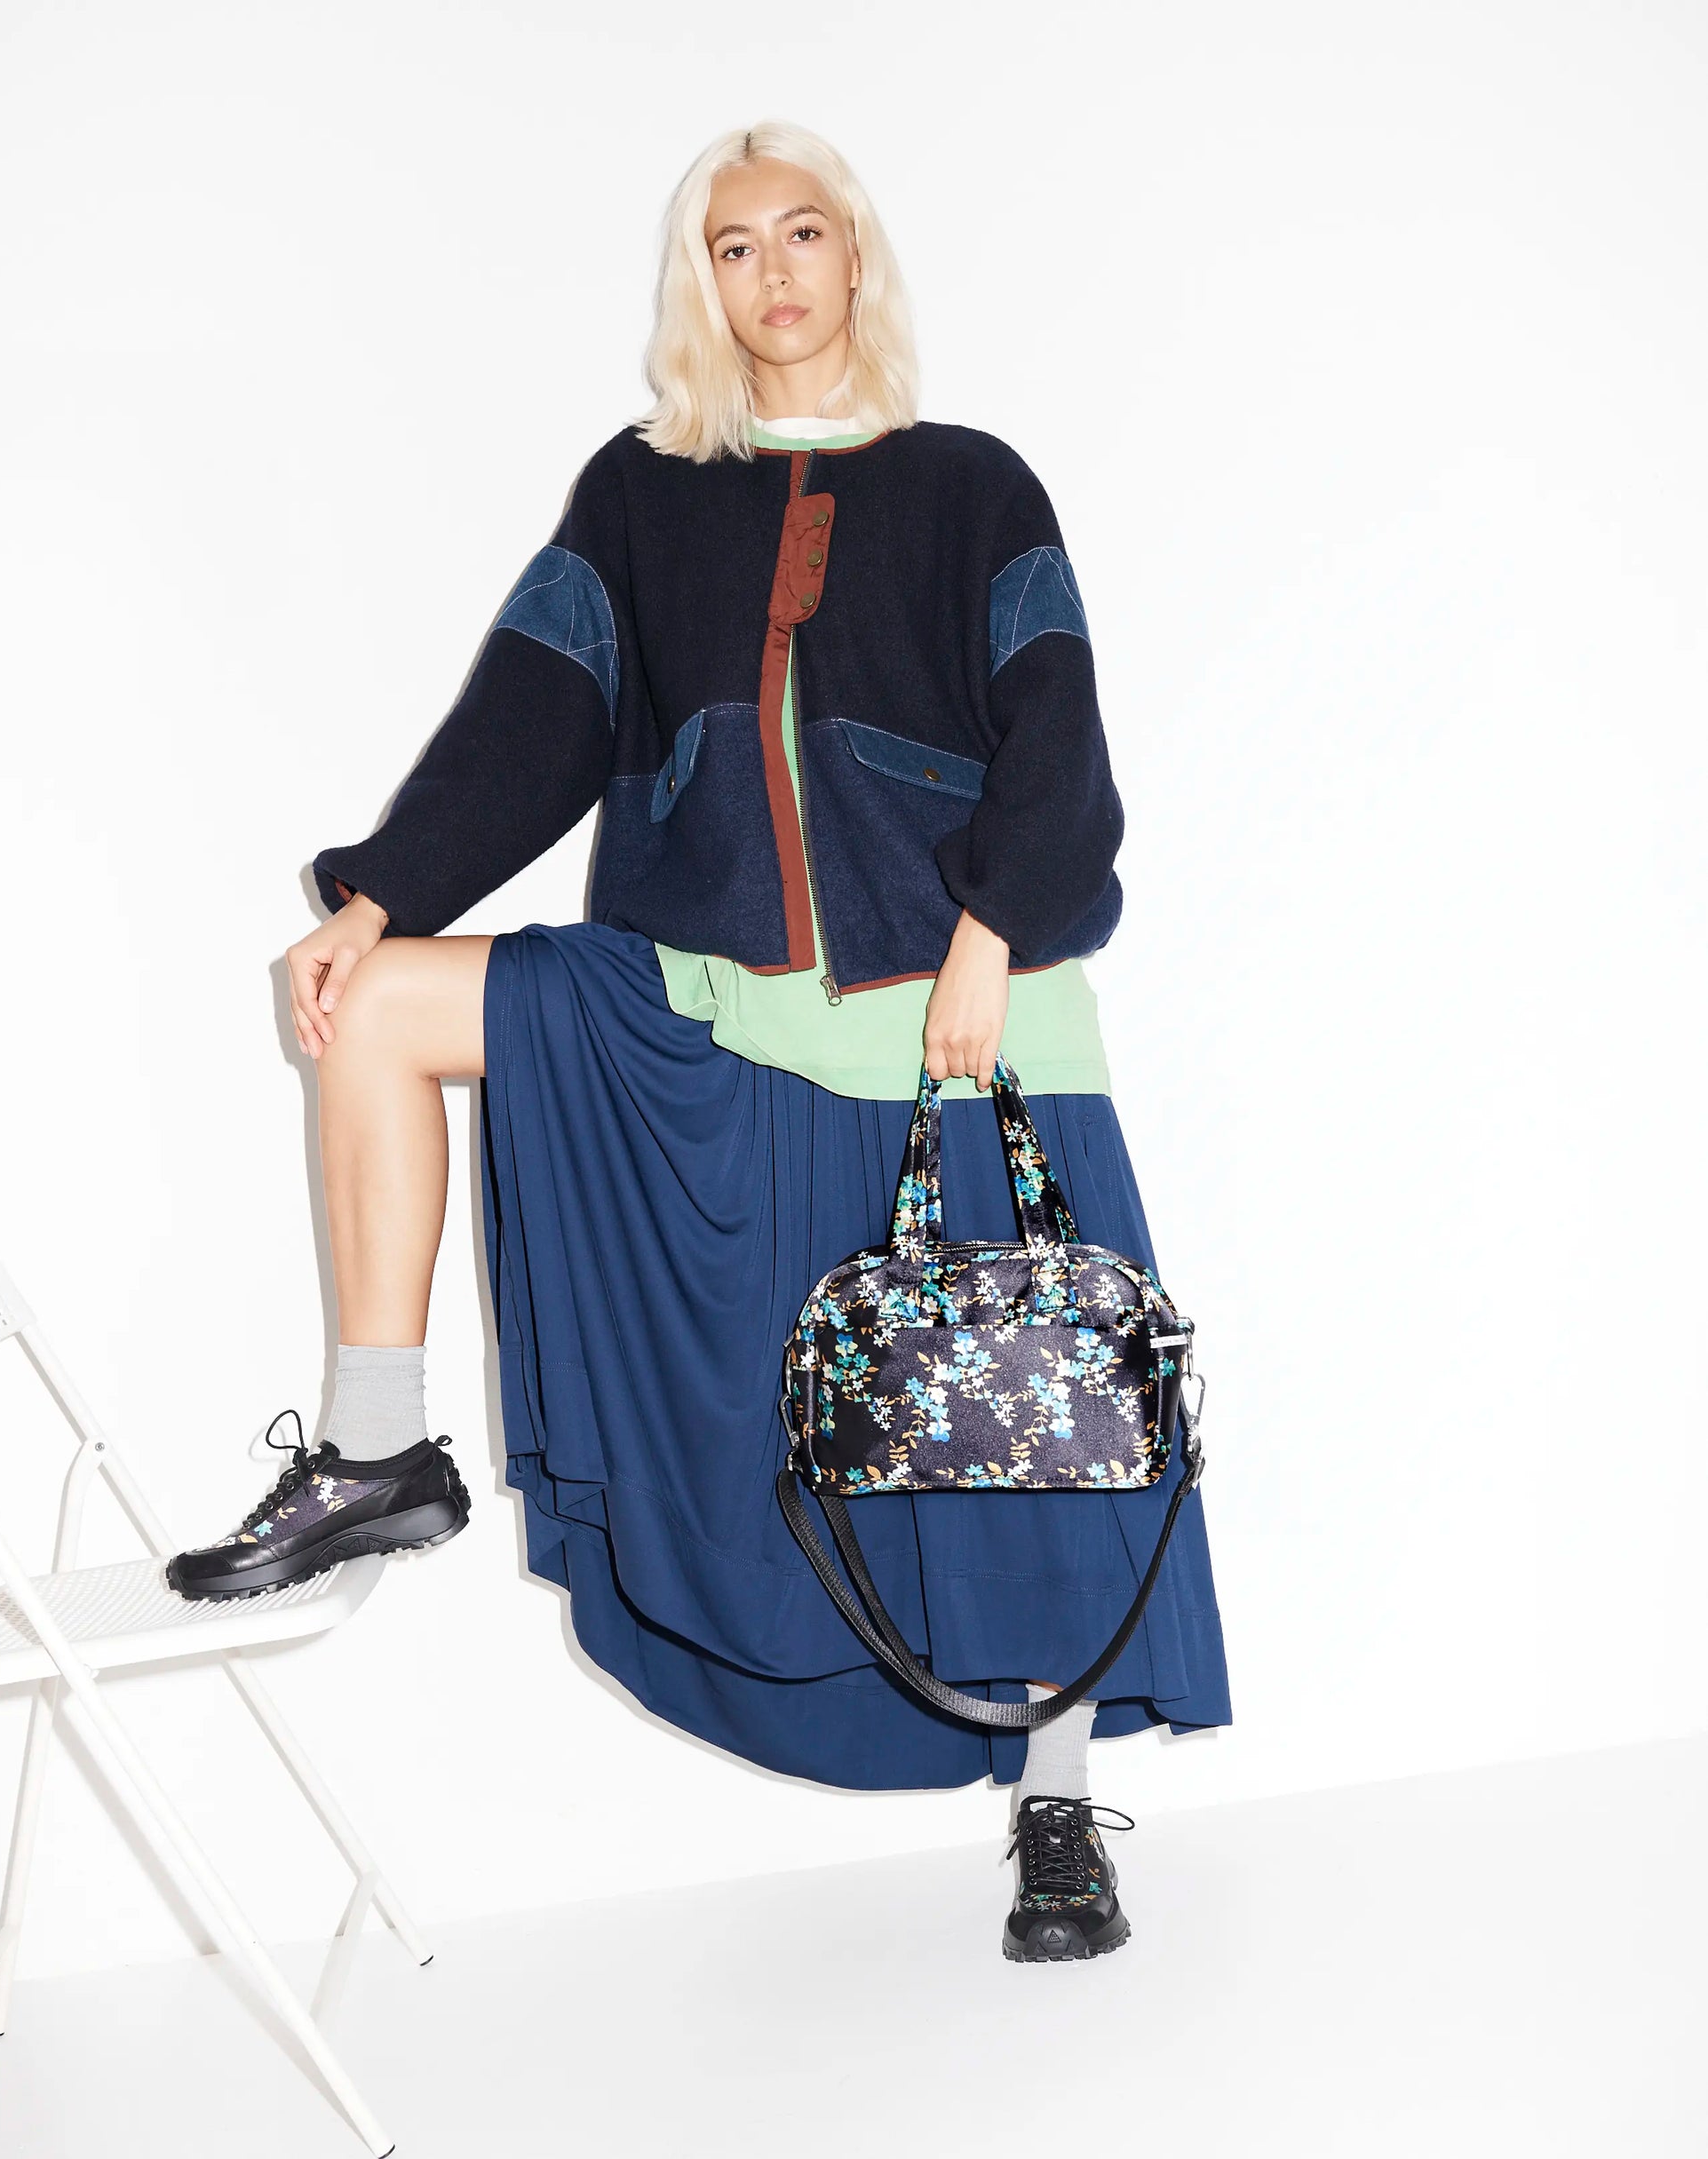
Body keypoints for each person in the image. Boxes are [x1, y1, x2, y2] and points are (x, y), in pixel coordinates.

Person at [165, 119, 1232, 1964]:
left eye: (805, 232)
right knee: (378, 1008)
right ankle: (375, 1449)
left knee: (1021, 1422)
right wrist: (373, 890)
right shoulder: (642, 496)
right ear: (704, 287)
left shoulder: (973, 486)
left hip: (961, 1022)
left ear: (858, 258)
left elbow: (1061, 734)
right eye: (733, 246)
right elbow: (535, 715)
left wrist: (992, 926)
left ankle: (1056, 1813)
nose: (775, 272)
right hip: (715, 1001)